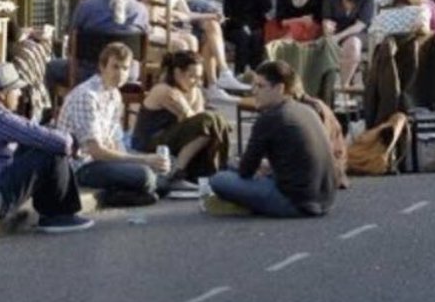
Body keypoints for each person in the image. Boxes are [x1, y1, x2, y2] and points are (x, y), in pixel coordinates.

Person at [0, 62, 93, 233]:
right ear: (2, 94)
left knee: (36, 144)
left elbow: (28, 133)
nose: (20, 94)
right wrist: (74, 143)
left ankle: (51, 210)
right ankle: (59, 215)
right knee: (51, 150)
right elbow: (56, 142)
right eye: (15, 89)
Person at [56, 43, 194, 206]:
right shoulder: (87, 96)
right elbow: (96, 152)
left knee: (165, 166)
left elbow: (116, 142)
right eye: (115, 67)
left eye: (125, 68)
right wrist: (143, 160)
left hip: (104, 160)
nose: (120, 74)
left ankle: (137, 191)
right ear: (102, 67)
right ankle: (119, 194)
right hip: (81, 166)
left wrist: (145, 162)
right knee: (146, 176)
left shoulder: (114, 95)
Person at [206, 61, 336, 218]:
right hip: (325, 199)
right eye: (254, 85)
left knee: (218, 179)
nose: (254, 91)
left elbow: (246, 170)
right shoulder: (306, 109)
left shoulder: (270, 118)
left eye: (261, 86)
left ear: (280, 88)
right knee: (232, 166)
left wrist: (255, 169)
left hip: (294, 202)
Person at [45, 0, 150, 91]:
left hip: (86, 73)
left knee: (50, 67)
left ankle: (55, 109)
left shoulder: (86, 6)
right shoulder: (141, 11)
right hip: (127, 76)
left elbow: (72, 43)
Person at [165, 0, 251, 99]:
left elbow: (186, 13)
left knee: (211, 28)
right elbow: (166, 12)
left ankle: (214, 83)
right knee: (210, 29)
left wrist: (209, 16)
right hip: (168, 25)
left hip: (181, 21)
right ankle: (221, 77)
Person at [130, 51, 231, 181]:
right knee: (208, 120)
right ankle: (177, 171)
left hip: (174, 138)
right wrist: (193, 113)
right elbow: (192, 119)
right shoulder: (164, 90)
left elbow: (201, 125)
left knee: (216, 121)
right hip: (150, 142)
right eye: (192, 76)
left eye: (199, 77)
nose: (197, 82)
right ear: (177, 73)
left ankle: (212, 170)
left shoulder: (195, 91)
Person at [323, 0, 375, 86]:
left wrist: (339, 36)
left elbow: (361, 24)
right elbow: (327, 18)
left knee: (353, 43)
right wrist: (327, 27)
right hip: (336, 34)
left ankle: (344, 86)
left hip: (360, 35)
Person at [222, 0, 273, 72]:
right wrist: (242, 25)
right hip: (235, 25)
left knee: (257, 37)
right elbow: (228, 12)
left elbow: (267, 8)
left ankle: (257, 72)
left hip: (256, 25)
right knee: (243, 37)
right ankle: (240, 73)